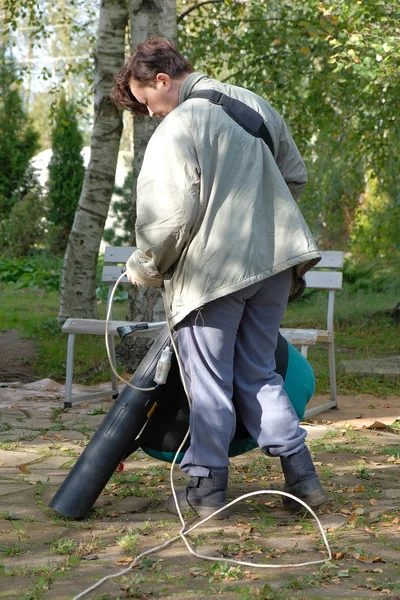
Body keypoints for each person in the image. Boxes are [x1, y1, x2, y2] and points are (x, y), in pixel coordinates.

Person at [111, 37, 328, 518]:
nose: (150, 115)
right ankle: (304, 478)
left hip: (214, 276)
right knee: (258, 373)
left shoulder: (179, 126)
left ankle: (207, 491)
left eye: (147, 102)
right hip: (274, 265)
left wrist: (143, 268)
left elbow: (166, 220)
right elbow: (293, 176)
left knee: (208, 381)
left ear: (162, 81)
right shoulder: (254, 103)